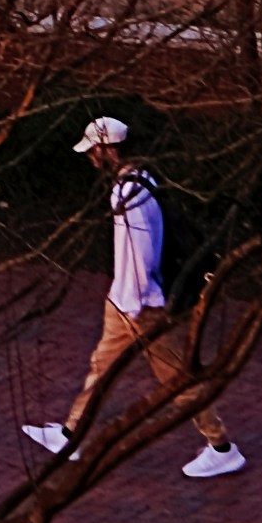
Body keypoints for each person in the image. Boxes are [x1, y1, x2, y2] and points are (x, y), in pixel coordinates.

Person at [23, 117, 247, 480]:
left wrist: (136, 305)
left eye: (94, 150)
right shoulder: (142, 182)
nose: (92, 157)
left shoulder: (128, 193)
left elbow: (140, 254)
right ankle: (70, 436)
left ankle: (222, 447)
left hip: (140, 305)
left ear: (108, 149)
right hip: (127, 301)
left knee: (177, 378)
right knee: (102, 367)